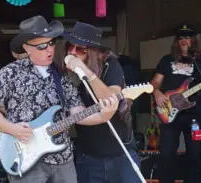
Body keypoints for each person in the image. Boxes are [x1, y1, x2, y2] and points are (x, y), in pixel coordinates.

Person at [0, 15, 119, 183]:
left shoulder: (61, 75)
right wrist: (12, 129)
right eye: (42, 46)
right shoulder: (10, 73)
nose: (49, 50)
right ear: (27, 48)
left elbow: (77, 112)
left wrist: (103, 116)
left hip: (63, 159)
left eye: (52, 43)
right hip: (26, 159)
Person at [60, 22, 141, 183]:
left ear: (93, 52)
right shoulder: (66, 75)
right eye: (70, 47)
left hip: (121, 153)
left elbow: (111, 99)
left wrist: (86, 72)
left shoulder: (110, 65)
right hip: (89, 156)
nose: (73, 53)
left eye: (80, 49)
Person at [151, 24, 201, 183]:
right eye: (181, 38)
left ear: (193, 41)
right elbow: (155, 82)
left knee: (194, 155)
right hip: (170, 113)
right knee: (166, 154)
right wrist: (157, 93)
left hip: (195, 114)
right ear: (176, 42)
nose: (184, 41)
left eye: (187, 37)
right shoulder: (167, 60)